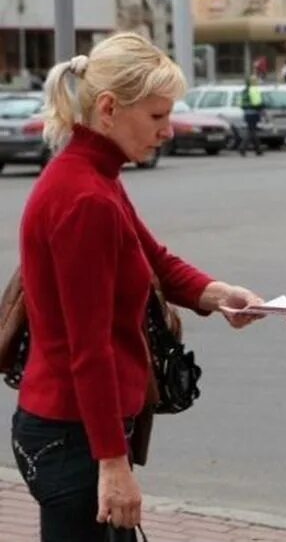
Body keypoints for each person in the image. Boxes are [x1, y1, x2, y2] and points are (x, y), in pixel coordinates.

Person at [13, 32, 264, 542]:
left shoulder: (96, 177)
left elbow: (156, 262)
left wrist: (218, 295)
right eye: (156, 117)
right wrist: (112, 464)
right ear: (108, 108)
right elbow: (90, 347)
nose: (168, 131)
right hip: (74, 436)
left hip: (75, 430)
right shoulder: (86, 198)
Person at [239, 75, 264, 156]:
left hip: (246, 113)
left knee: (252, 130)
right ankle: (243, 147)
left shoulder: (244, 90)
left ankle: (258, 149)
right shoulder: (254, 89)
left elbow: (241, 103)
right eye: (255, 81)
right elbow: (258, 103)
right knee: (251, 131)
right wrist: (261, 108)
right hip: (254, 113)